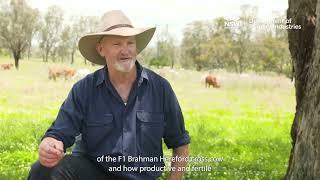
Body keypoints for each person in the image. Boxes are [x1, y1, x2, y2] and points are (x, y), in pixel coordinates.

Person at [28, 10, 190, 180]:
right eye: (117, 44)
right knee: (43, 170)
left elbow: (180, 142)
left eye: (130, 43)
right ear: (101, 49)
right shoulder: (84, 89)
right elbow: (60, 132)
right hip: (92, 173)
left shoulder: (160, 88)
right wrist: (50, 143)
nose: (125, 50)